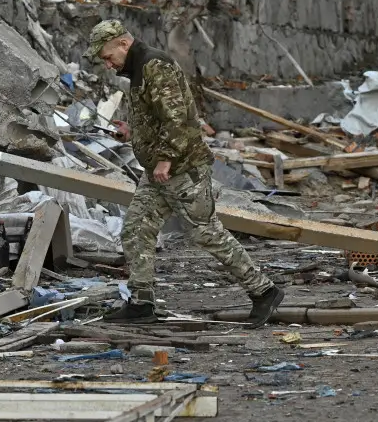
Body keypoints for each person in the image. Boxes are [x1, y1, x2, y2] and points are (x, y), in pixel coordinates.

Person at [86, 19, 284, 326]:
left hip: (183, 168)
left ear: (123, 44)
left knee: (205, 232)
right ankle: (141, 303)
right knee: (136, 229)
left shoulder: (155, 65)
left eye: (107, 56)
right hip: (158, 171)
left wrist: (165, 159)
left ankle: (264, 291)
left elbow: (177, 118)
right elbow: (157, 116)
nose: (108, 64)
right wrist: (131, 131)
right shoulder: (138, 69)